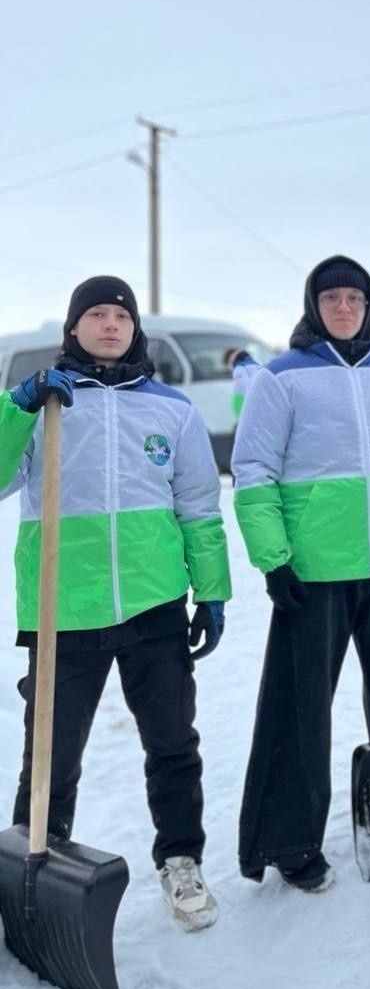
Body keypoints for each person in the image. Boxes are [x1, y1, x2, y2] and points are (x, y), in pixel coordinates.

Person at [0, 276, 231, 933]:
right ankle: (31, 866)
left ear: (135, 328)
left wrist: (210, 590)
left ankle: (181, 861)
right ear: (73, 328)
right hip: (61, 607)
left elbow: (198, 508)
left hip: (152, 605)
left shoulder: (172, 410)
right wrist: (17, 409)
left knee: (172, 744)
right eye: (94, 314)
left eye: (119, 314)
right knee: (49, 751)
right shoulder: (43, 405)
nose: (109, 324)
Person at [232, 254, 370, 893]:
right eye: (331, 298)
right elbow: (253, 472)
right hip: (314, 569)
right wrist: (273, 559)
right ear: (314, 306)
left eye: (355, 299)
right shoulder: (281, 380)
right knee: (298, 708)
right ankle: (288, 841)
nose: (344, 308)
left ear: (366, 306)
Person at [225, 346, 259, 421]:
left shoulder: (239, 369)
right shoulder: (258, 366)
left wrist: (238, 416)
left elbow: (239, 393)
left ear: (230, 361)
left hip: (249, 416)